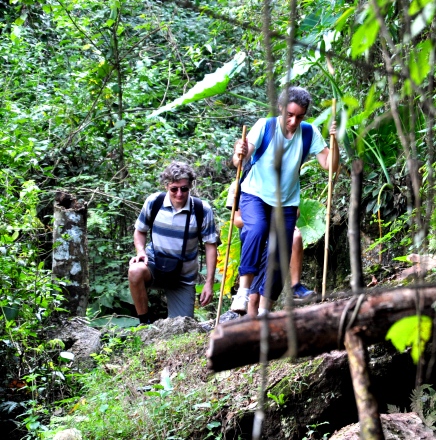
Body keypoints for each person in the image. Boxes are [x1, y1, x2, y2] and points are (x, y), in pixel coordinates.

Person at [232, 86, 338, 317]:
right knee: (257, 229)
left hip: (287, 202)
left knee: (281, 252)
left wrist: (336, 142)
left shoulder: (309, 132)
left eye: (299, 116)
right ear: (280, 109)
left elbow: (330, 165)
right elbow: (242, 155)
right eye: (289, 115)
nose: (293, 121)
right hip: (255, 194)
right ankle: (242, 291)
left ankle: (264, 312)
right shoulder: (265, 126)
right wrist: (239, 152)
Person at [128, 162, 219, 323]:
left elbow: (210, 245)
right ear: (166, 186)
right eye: (174, 189)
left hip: (182, 276)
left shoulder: (201, 209)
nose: (179, 194)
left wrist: (209, 283)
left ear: (190, 186)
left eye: (184, 189)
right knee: (135, 270)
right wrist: (140, 251)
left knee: (181, 328)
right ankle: (144, 322)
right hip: (155, 265)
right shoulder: (154, 202)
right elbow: (140, 230)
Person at [225, 181, 315, 314]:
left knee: (267, 290)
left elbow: (295, 212)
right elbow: (237, 221)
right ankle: (250, 330)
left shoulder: (278, 180)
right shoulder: (239, 184)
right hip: (255, 243)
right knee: (253, 297)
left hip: (275, 238)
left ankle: (295, 286)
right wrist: (261, 219)